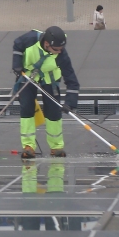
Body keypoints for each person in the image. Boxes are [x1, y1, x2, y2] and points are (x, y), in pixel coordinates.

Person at [12, 26, 80, 159]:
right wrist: (16, 64)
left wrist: (70, 103)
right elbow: (17, 45)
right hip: (28, 76)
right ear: (47, 44)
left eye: (61, 49)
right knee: (27, 108)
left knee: (53, 111)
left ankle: (56, 147)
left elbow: (72, 81)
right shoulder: (31, 39)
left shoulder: (62, 55)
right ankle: (28, 146)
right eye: (56, 50)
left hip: (50, 79)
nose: (60, 52)